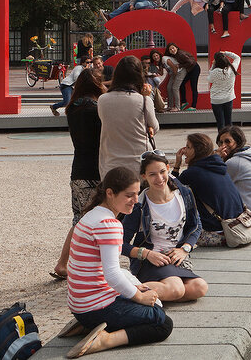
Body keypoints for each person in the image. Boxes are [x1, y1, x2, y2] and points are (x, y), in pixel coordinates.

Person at [62, 167, 173, 357]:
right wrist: (138, 297)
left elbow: (108, 273)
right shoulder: (109, 224)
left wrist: (137, 289)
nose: (135, 201)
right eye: (129, 195)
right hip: (94, 307)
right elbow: (112, 274)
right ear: (110, 193)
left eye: (137, 194)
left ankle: (89, 326)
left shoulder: (91, 215)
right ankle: (104, 340)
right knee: (162, 322)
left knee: (147, 297)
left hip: (80, 305)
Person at [121, 153, 209, 303]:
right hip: (150, 261)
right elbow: (120, 243)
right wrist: (147, 254)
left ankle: (152, 295)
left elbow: (196, 226)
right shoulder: (139, 205)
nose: (160, 178)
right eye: (152, 174)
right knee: (176, 288)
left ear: (168, 168)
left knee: (199, 288)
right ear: (144, 176)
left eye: (162, 172)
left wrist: (185, 249)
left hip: (176, 258)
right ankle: (124, 293)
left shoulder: (184, 194)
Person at [52, 69, 106, 280]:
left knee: (80, 219)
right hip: (96, 168)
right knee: (96, 219)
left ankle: (63, 263)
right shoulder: (96, 108)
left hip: (79, 169)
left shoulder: (72, 108)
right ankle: (76, 265)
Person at [173, 134, 246, 246]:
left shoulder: (193, 173)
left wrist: (176, 166)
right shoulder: (217, 165)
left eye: (188, 147)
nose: (184, 151)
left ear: (197, 151)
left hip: (219, 232)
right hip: (239, 225)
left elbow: (170, 190)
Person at [97, 56, 159, 178]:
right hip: (139, 162)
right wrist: (146, 97)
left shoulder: (102, 100)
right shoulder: (143, 100)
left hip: (110, 163)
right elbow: (154, 128)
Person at [205, 51, 240, 132]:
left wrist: (212, 65)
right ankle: (230, 141)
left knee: (220, 123)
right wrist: (226, 53)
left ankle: (221, 141)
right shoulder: (231, 68)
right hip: (228, 98)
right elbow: (237, 57)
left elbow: (209, 79)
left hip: (216, 100)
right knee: (228, 122)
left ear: (216, 62)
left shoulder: (214, 72)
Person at [163, 44, 198, 112]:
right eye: (170, 49)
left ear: (176, 47)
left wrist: (179, 65)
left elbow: (191, 62)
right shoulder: (175, 55)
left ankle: (194, 106)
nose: (172, 50)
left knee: (193, 87)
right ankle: (184, 102)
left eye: (173, 48)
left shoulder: (180, 54)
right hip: (188, 70)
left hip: (194, 69)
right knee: (181, 84)